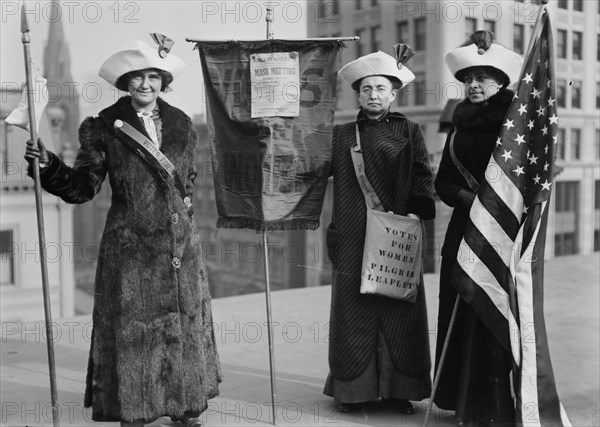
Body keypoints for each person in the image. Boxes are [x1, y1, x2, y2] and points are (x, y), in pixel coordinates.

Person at [25, 36, 221, 427]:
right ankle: (136, 408)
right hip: (131, 246)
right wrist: (48, 165)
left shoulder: (183, 123)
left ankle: (186, 406)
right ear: (124, 82)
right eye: (137, 77)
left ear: (164, 81)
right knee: (135, 331)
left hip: (181, 246)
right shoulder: (103, 128)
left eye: (153, 76)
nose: (145, 85)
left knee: (184, 323)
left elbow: (188, 180)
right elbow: (83, 186)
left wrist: (184, 217)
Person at [324, 48, 436, 414]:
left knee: (398, 312)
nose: (373, 95)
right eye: (366, 89)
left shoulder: (410, 130)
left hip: (397, 235)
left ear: (393, 94)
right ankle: (353, 391)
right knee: (353, 311)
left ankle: (398, 390)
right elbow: (308, 172)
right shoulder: (340, 136)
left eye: (381, 88)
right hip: (353, 235)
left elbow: (422, 174)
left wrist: (417, 214)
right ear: (357, 94)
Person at [433, 31, 524, 426]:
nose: (473, 85)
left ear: (501, 83)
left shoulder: (512, 127)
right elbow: (441, 183)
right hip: (461, 229)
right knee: (458, 305)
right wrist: (464, 198)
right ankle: (458, 398)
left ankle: (489, 404)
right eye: (468, 78)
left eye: (482, 79)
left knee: (486, 311)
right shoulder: (458, 122)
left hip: (497, 233)